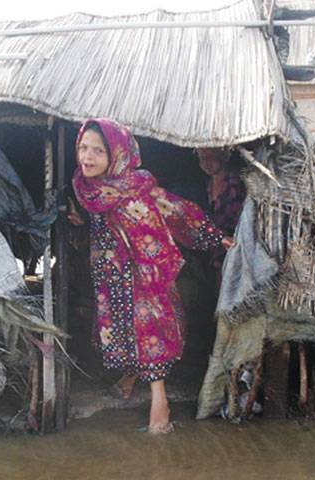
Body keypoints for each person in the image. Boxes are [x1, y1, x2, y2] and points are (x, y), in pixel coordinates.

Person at [69, 118, 233, 434]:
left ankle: (161, 404)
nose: (87, 157)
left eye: (98, 151)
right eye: (83, 148)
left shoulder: (136, 189)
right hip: (108, 274)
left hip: (142, 273)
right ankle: (131, 377)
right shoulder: (83, 186)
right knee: (118, 328)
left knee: (147, 328)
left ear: (115, 155)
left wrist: (216, 237)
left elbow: (177, 211)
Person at [196, 148, 246, 278]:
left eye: (210, 157)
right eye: (202, 159)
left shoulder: (237, 182)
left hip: (236, 247)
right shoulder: (208, 185)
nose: (206, 163)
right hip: (216, 248)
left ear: (222, 156)